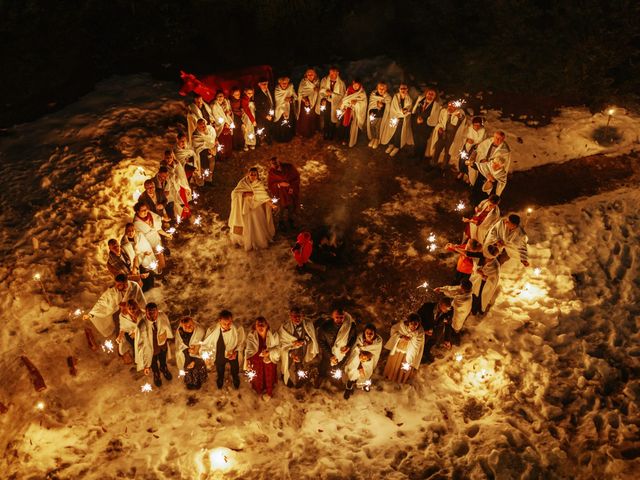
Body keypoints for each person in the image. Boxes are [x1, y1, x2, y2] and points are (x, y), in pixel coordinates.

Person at [84, 273, 146, 337]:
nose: (116, 286)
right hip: (122, 316)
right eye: (116, 284)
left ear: (125, 284)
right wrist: (91, 314)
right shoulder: (114, 290)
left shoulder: (134, 286)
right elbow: (102, 301)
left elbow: (141, 300)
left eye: (119, 285)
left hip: (135, 314)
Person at [228, 167, 276, 251]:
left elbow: (263, 197)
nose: (253, 176)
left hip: (256, 209)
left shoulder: (259, 184)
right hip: (245, 209)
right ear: (248, 174)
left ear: (257, 176)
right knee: (246, 224)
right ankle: (245, 240)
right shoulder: (243, 182)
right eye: (251, 174)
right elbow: (234, 193)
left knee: (257, 224)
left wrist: (272, 205)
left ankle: (259, 240)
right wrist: (244, 194)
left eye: (255, 175)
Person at [201, 310, 246, 389]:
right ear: (219, 321)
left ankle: (235, 377)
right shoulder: (212, 330)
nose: (227, 326)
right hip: (220, 354)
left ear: (231, 320)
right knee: (220, 368)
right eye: (224, 324)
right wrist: (207, 356)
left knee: (235, 368)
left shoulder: (238, 329)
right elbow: (206, 344)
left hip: (233, 354)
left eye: (229, 323)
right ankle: (220, 378)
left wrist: (236, 351)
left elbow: (241, 342)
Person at [278, 306, 319, 387]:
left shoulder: (308, 324)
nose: (297, 318)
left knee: (300, 364)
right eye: (294, 316)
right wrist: (292, 346)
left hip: (302, 349)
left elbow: (312, 337)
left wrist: (304, 341)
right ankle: (285, 377)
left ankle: (300, 380)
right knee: (287, 365)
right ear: (290, 316)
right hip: (289, 351)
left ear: (302, 316)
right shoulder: (285, 327)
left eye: (299, 316)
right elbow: (282, 343)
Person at [316, 307, 357, 387]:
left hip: (343, 353)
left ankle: (335, 379)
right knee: (324, 365)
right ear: (332, 316)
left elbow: (354, 337)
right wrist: (330, 355)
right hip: (328, 352)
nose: (339, 319)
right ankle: (321, 375)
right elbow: (321, 341)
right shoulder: (325, 327)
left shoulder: (350, 326)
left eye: (341, 317)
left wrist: (348, 346)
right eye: (337, 317)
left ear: (344, 316)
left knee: (339, 365)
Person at [135, 302, 174, 387]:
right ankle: (156, 373)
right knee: (153, 362)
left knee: (163, 358)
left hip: (162, 345)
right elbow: (142, 345)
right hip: (151, 349)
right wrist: (146, 365)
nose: (153, 315)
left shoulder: (162, 316)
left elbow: (167, 325)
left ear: (157, 311)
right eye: (150, 313)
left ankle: (164, 368)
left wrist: (168, 336)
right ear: (146, 313)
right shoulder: (142, 325)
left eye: (154, 312)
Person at [468, 131, 511, 205]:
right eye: (496, 138)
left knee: (486, 192)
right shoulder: (487, 142)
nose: (498, 140)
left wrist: (492, 174)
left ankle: (483, 205)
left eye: (500, 139)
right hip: (483, 169)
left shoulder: (505, 151)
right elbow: (478, 151)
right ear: (494, 137)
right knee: (477, 186)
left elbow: (502, 165)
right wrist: (480, 160)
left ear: (503, 139)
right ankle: (473, 202)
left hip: (493, 175)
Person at [343, 324, 382, 399]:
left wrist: (368, 356)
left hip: (368, 361)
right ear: (364, 332)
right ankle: (349, 387)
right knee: (353, 372)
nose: (369, 335)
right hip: (357, 360)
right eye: (367, 333)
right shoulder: (359, 339)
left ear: (375, 334)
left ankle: (363, 384)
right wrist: (359, 365)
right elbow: (355, 351)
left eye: (371, 333)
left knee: (366, 373)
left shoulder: (378, 342)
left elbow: (375, 353)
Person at [383, 313, 424, 384]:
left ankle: (400, 380)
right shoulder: (401, 326)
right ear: (408, 322)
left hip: (408, 353)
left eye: (416, 324)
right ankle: (390, 377)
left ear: (418, 324)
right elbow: (394, 331)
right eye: (412, 323)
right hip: (398, 350)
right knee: (395, 364)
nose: (413, 326)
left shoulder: (420, 333)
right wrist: (401, 336)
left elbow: (419, 345)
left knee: (404, 366)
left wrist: (412, 339)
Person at [244, 317, 280, 398]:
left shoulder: (274, 334)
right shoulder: (251, 336)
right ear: (255, 326)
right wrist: (249, 360)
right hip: (257, 360)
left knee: (269, 374)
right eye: (258, 325)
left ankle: (269, 392)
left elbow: (278, 347)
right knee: (258, 377)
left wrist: (269, 352)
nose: (260, 327)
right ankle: (258, 391)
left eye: (262, 325)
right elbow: (249, 350)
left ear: (267, 325)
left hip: (269, 359)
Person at [133, 202, 170, 271]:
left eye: (146, 209)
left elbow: (157, 228)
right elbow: (139, 239)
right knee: (156, 260)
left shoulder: (150, 214)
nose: (145, 211)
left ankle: (163, 269)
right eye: (142, 210)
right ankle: (160, 272)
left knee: (161, 256)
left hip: (157, 240)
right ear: (137, 211)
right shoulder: (136, 224)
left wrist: (166, 234)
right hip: (150, 245)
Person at [380, 84, 414, 157]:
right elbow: (394, 108)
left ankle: (397, 147)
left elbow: (408, 109)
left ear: (407, 89)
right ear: (399, 89)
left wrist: (404, 112)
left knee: (399, 133)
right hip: (394, 117)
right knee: (392, 131)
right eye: (402, 88)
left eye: (405, 88)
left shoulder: (409, 100)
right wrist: (402, 112)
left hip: (403, 120)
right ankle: (391, 145)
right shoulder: (395, 97)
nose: (403, 90)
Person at [429, 100, 466, 168]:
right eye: (449, 106)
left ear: (456, 107)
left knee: (448, 152)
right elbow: (440, 122)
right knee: (438, 148)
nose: (450, 108)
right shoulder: (444, 112)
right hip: (442, 134)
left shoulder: (459, 113)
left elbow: (462, 118)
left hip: (452, 137)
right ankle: (433, 163)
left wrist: (459, 116)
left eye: (452, 106)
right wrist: (440, 128)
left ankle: (444, 167)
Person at [175, 316, 208, 390]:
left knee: (197, 369)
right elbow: (179, 348)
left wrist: (196, 354)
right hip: (186, 357)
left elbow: (205, 346)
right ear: (181, 325)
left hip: (198, 358)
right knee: (188, 370)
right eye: (185, 326)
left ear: (193, 323)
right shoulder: (180, 334)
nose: (188, 327)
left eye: (190, 325)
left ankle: (198, 381)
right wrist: (187, 352)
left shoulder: (200, 331)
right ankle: (189, 381)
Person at [267, 157, 300, 230]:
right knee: (281, 209)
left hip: (290, 192)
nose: (275, 165)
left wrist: (292, 187)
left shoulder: (288, 167)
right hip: (280, 194)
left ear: (279, 161)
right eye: (272, 163)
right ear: (270, 164)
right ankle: (281, 225)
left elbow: (296, 177)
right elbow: (270, 185)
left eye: (276, 162)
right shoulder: (272, 172)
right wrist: (279, 184)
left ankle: (291, 223)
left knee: (291, 208)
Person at [417, 298, 453, 363]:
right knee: (420, 347)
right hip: (424, 333)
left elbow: (448, 325)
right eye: (445, 308)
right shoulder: (427, 306)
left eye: (448, 309)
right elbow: (417, 318)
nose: (447, 311)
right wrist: (424, 330)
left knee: (429, 347)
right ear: (440, 304)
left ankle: (426, 358)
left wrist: (447, 339)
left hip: (436, 334)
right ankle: (418, 360)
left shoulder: (448, 312)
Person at [161, 149, 192, 221]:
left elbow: (182, 176)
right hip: (169, 187)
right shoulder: (163, 165)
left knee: (182, 201)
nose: (169, 159)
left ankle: (184, 216)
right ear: (164, 158)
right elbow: (164, 177)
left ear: (173, 157)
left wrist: (186, 187)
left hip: (179, 185)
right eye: (167, 158)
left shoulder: (177, 164)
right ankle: (176, 218)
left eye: (170, 157)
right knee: (173, 203)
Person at [471, 245, 501, 315]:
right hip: (478, 282)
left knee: (481, 298)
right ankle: (474, 310)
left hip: (485, 285)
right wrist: (478, 271)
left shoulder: (495, 266)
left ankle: (480, 310)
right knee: (475, 295)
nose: (485, 257)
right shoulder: (484, 258)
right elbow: (476, 265)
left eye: (487, 256)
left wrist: (484, 276)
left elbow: (494, 279)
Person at [411, 88, 440, 160]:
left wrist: (424, 120)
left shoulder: (436, 105)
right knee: (416, 139)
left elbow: (434, 117)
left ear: (435, 96)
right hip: (416, 125)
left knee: (422, 142)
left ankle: (420, 157)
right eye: (429, 93)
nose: (430, 95)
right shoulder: (420, 100)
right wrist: (417, 118)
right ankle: (415, 154)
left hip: (426, 127)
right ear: (426, 93)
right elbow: (415, 110)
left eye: (432, 94)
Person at [317, 67, 346, 140]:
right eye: (330, 73)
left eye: (334, 73)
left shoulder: (341, 83)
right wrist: (324, 94)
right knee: (326, 118)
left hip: (336, 103)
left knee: (333, 119)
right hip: (327, 102)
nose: (331, 75)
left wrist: (332, 94)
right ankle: (325, 132)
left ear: (337, 73)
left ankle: (331, 134)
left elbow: (342, 95)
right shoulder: (324, 80)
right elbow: (321, 90)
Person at [337, 79, 367, 147]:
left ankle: (347, 140)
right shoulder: (349, 89)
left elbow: (363, 104)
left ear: (360, 85)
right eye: (354, 85)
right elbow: (345, 99)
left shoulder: (362, 93)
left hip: (354, 113)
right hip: (346, 111)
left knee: (350, 127)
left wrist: (356, 103)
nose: (356, 87)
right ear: (352, 84)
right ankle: (341, 138)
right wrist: (344, 106)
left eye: (357, 85)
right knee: (343, 125)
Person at [115, 299, 142, 363]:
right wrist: (120, 336)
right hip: (130, 334)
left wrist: (136, 332)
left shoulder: (142, 314)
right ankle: (138, 359)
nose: (132, 310)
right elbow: (123, 327)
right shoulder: (123, 316)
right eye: (130, 308)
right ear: (127, 309)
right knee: (134, 344)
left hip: (140, 334)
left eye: (134, 308)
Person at [366, 82, 391, 149]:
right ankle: (373, 138)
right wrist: (376, 104)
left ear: (386, 89)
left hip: (380, 115)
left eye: (383, 89)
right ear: (377, 88)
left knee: (378, 127)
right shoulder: (373, 94)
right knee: (372, 126)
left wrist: (382, 104)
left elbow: (388, 105)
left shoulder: (388, 97)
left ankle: (377, 139)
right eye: (380, 88)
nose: (381, 90)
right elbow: (372, 102)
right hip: (372, 113)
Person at [209, 90, 234, 159]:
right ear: (216, 97)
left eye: (222, 96)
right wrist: (224, 123)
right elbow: (216, 117)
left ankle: (228, 154)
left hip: (227, 124)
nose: (221, 98)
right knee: (222, 141)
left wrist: (228, 113)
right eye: (219, 96)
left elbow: (229, 112)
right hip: (220, 126)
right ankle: (222, 156)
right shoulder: (214, 105)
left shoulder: (225, 103)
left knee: (228, 140)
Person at [191, 118, 217, 183]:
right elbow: (196, 144)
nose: (204, 127)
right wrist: (207, 148)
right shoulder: (195, 134)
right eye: (202, 126)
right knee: (205, 163)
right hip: (200, 152)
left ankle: (209, 178)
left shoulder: (208, 130)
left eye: (204, 125)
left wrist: (213, 145)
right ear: (198, 126)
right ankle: (204, 179)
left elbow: (212, 139)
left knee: (212, 160)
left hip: (210, 149)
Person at [296, 68, 319, 138]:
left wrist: (317, 89)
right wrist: (304, 100)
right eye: (308, 74)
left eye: (312, 74)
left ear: (314, 75)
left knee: (312, 117)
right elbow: (299, 93)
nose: (310, 76)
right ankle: (304, 133)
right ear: (306, 75)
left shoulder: (317, 82)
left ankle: (312, 131)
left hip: (313, 101)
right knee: (304, 119)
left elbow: (319, 91)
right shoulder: (303, 82)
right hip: (305, 103)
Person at [273, 77, 297, 143]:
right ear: (279, 83)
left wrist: (290, 98)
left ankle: (287, 137)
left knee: (287, 123)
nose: (284, 85)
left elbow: (295, 97)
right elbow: (277, 101)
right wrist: (282, 111)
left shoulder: (290, 88)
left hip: (288, 108)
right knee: (280, 124)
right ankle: (280, 138)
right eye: (282, 83)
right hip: (279, 109)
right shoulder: (277, 90)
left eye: (285, 83)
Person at [254, 77, 275, 145]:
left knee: (271, 126)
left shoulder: (270, 90)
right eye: (263, 84)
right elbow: (258, 108)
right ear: (259, 85)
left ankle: (271, 138)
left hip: (271, 113)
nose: (265, 85)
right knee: (266, 128)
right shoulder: (257, 95)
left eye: (266, 84)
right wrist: (266, 115)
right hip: (263, 116)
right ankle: (266, 140)